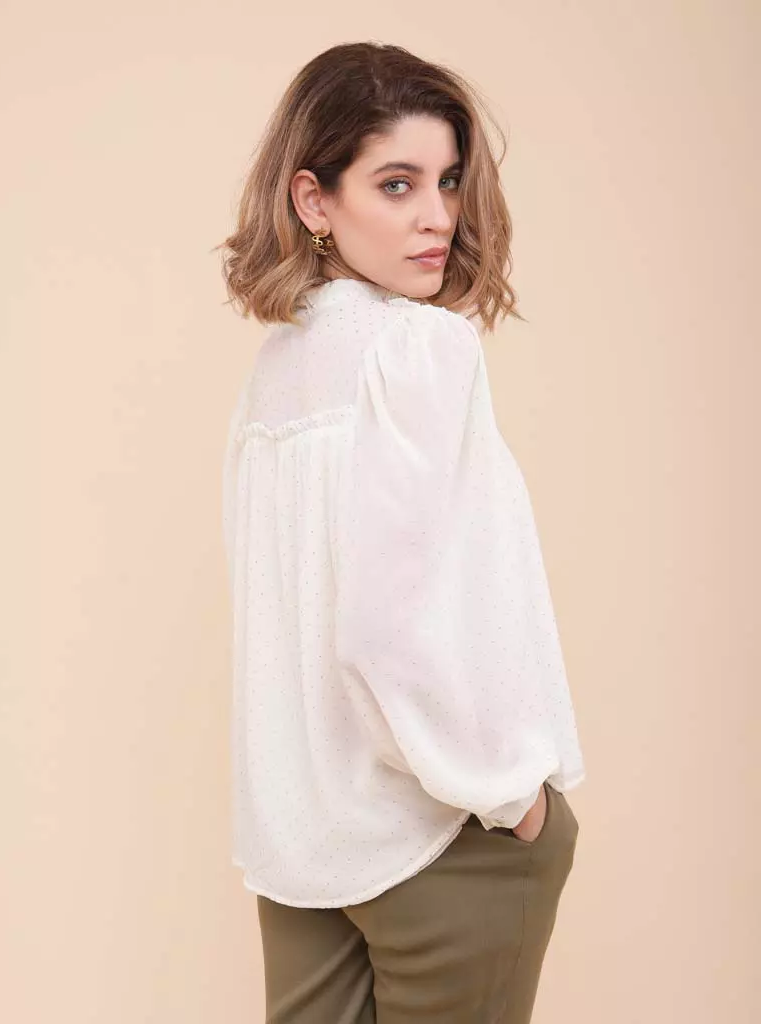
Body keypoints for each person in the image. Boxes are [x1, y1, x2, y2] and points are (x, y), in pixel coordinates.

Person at [217, 41, 586, 1024]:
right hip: (443, 839)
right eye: (396, 183)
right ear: (313, 199)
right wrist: (512, 800)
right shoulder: (416, 349)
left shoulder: (278, 370)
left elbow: (277, 617)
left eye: (448, 180)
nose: (437, 215)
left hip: (305, 844)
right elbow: (389, 629)